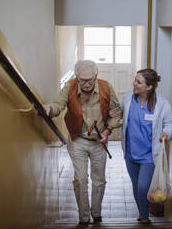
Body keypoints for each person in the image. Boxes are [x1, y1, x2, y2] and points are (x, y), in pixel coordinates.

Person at [43, 60, 121, 227]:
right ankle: (83, 217)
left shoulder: (106, 87)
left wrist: (107, 132)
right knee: (80, 179)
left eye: (90, 80)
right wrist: (49, 109)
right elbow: (58, 105)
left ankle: (96, 213)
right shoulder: (70, 87)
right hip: (77, 139)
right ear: (77, 78)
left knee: (99, 180)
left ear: (96, 76)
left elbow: (116, 112)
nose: (86, 84)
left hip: (99, 142)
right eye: (82, 80)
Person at [120, 69, 172, 224]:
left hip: (149, 155)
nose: (134, 84)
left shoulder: (162, 104)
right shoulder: (128, 98)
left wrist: (166, 132)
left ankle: (144, 215)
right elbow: (121, 115)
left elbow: (169, 123)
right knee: (136, 186)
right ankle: (143, 214)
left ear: (149, 87)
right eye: (135, 80)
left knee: (143, 186)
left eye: (138, 82)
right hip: (130, 153)